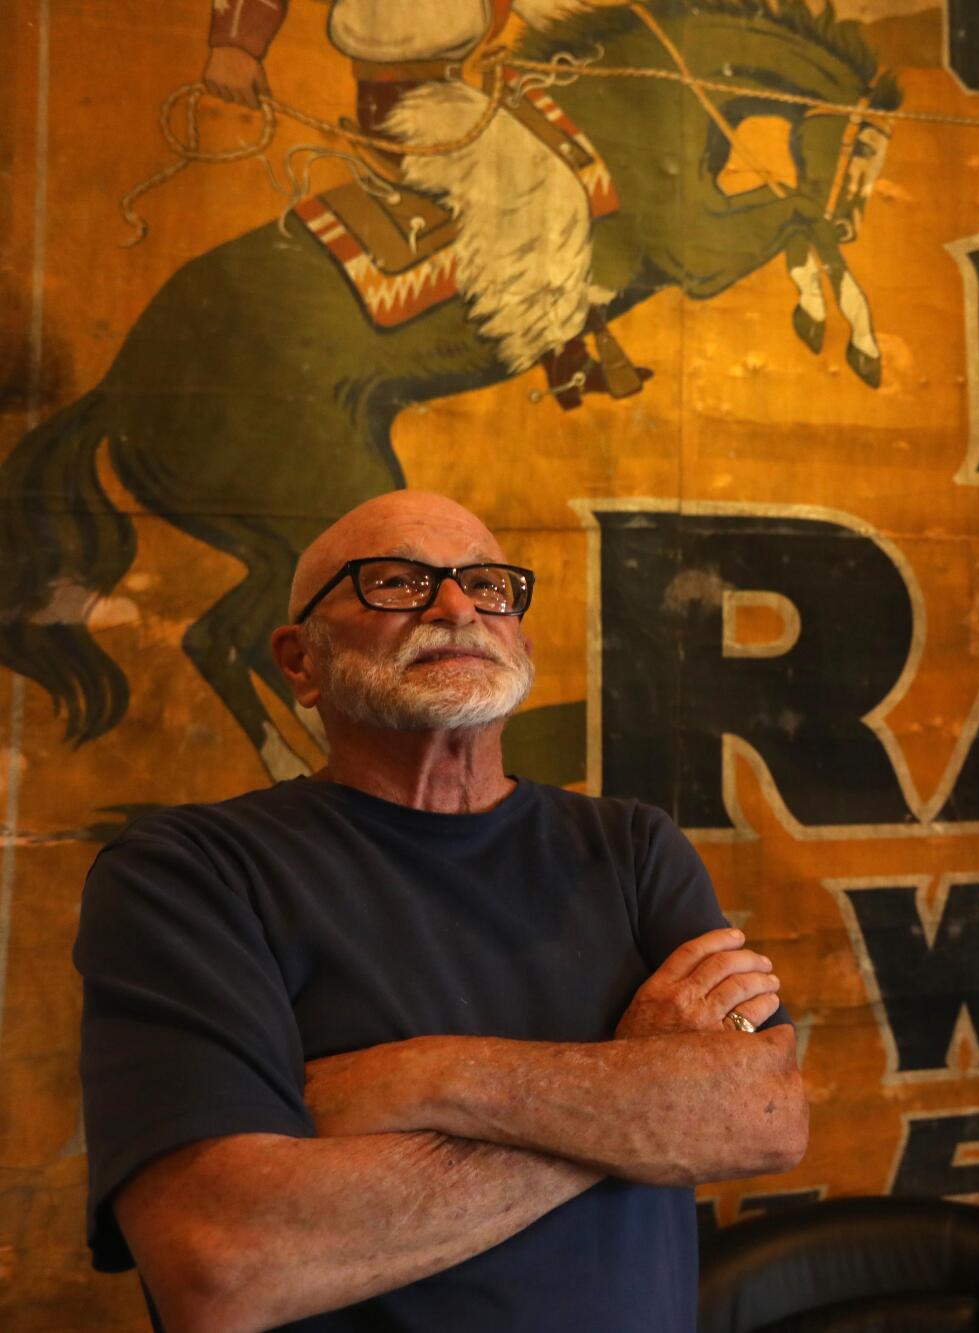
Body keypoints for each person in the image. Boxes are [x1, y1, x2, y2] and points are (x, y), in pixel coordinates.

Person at [74, 489, 805, 1330]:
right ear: (300, 661)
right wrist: (640, 1088)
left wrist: (424, 1077)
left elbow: (767, 1115)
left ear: (519, 639)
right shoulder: (189, 873)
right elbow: (225, 1264)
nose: (456, 607)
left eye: (488, 586)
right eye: (394, 581)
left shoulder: (632, 848)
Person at [203, 0, 649, 409]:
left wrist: (611, 24)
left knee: (563, 148)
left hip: (452, 89)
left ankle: (565, 345)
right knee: (544, 183)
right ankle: (556, 355)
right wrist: (237, 44)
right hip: (403, 102)